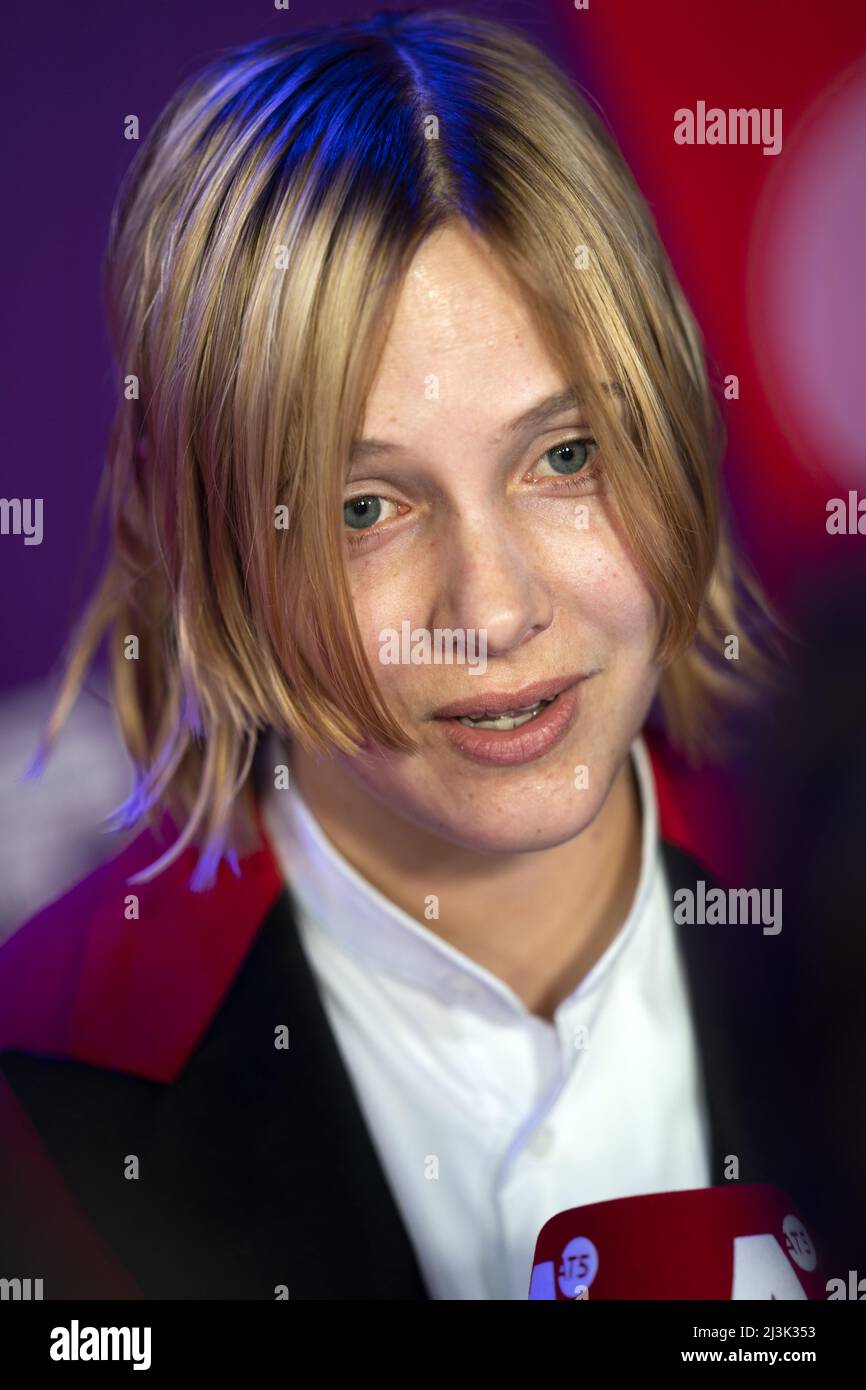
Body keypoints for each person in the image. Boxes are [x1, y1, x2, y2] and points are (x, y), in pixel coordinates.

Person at [0, 8, 795, 1300]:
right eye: (364, 506)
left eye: (565, 456)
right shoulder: (40, 1098)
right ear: (194, 531)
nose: (490, 610)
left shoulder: (826, 919)